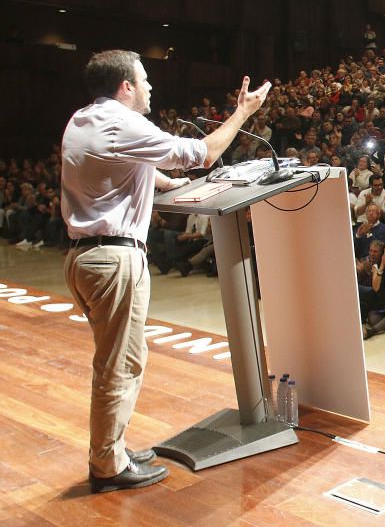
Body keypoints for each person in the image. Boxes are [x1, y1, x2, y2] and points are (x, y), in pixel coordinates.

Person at [62, 50, 270, 492]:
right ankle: (107, 466)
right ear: (126, 87)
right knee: (119, 366)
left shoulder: (83, 120)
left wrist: (166, 183)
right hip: (113, 260)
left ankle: (112, 450)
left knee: (118, 361)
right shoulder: (123, 123)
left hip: (85, 257)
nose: (150, 86)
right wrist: (242, 112)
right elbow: (204, 153)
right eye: (144, 79)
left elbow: (120, 164)